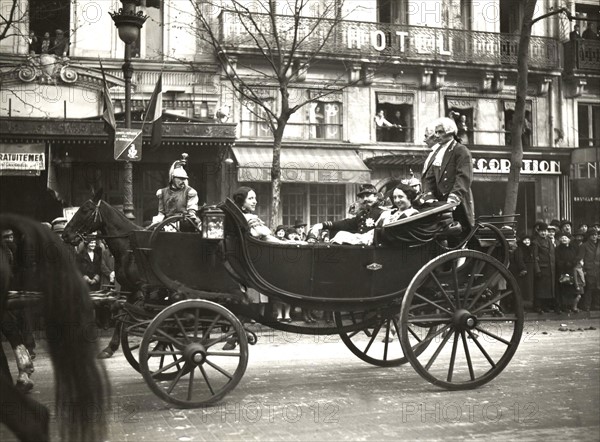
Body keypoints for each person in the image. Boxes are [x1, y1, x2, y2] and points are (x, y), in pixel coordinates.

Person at [421, 117, 475, 229]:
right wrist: (430, 196)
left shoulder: (460, 150)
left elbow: (464, 177)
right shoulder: (438, 152)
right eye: (436, 132)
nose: (436, 136)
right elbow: (430, 178)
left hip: (457, 203)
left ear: (450, 132)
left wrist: (453, 199)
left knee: (460, 234)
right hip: (440, 205)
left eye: (440, 132)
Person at [310, 184, 386, 246]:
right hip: (360, 249)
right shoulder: (362, 214)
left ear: (376, 196)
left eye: (368, 195)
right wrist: (323, 225)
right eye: (363, 197)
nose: (365, 199)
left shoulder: (382, 213)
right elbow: (346, 223)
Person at [153, 156, 200, 228]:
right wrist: (156, 224)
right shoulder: (162, 192)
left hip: (183, 225)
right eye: (180, 179)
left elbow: (191, 215)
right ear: (173, 178)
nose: (182, 181)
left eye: (184, 179)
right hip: (167, 224)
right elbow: (161, 213)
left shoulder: (190, 192)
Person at [532, 222, 556, 313]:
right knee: (540, 289)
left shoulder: (549, 241)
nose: (544, 233)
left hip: (550, 269)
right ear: (538, 232)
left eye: (545, 231)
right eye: (542, 231)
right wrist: (537, 269)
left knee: (548, 289)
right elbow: (535, 257)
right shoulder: (535, 242)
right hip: (542, 268)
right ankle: (538, 307)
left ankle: (546, 306)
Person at [555, 232, 580, 313]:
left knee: (570, 289)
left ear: (569, 240)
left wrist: (572, 263)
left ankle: (570, 306)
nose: (564, 239)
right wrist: (564, 264)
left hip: (571, 270)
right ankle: (563, 306)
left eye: (565, 238)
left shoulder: (573, 248)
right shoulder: (558, 249)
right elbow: (557, 260)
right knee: (563, 289)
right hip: (562, 271)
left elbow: (577, 257)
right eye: (562, 238)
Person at [577, 229, 599, 312]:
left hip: (598, 270)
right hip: (588, 269)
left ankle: (596, 305)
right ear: (589, 236)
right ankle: (587, 306)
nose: (594, 236)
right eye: (592, 235)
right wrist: (583, 270)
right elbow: (580, 258)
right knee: (589, 288)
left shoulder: (598, 245)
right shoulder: (584, 246)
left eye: (596, 234)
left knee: (597, 288)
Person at [512, 235, 535, 312]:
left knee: (528, 290)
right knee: (523, 289)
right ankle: (520, 307)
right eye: (525, 240)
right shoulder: (519, 249)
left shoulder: (530, 249)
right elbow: (519, 259)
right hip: (523, 271)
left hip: (530, 271)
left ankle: (526, 307)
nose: (527, 242)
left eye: (528, 240)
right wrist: (523, 268)